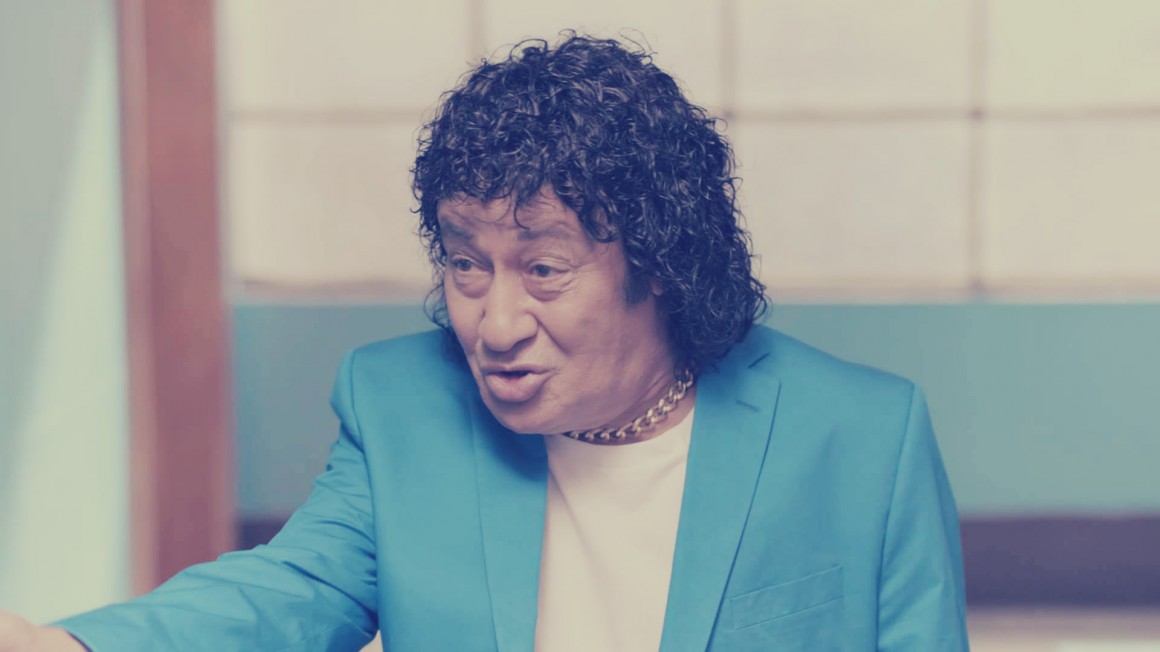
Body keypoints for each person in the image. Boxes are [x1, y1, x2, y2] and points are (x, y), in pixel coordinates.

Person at [0, 33, 968, 651]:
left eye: (543, 269)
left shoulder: (861, 437)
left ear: (658, 262)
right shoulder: (401, 405)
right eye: (466, 265)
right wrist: (69, 648)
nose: (494, 324)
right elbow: (290, 590)